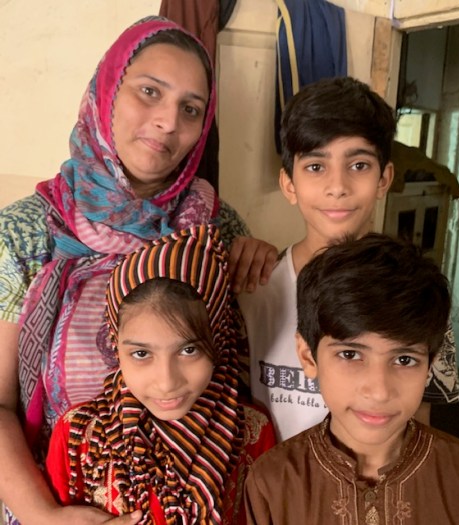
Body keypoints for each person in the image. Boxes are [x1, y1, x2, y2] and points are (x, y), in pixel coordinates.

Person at [0, 16, 276, 525]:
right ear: (106, 93)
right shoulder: (25, 233)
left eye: (190, 109)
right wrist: (43, 515)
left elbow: (236, 372)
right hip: (58, 497)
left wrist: (261, 262)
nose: (169, 121)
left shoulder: (217, 226)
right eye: (150, 92)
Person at [238, 77, 459, 442]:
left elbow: (419, 424)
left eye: (358, 165)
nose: (338, 186)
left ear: (384, 178)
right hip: (275, 476)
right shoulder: (255, 287)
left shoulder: (416, 292)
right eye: (316, 167)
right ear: (289, 184)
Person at [244, 233, 459, 525]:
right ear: (308, 357)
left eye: (404, 360)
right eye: (350, 354)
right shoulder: (271, 482)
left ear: (430, 365)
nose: (379, 391)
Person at [46, 224, 275, 525]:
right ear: (116, 346)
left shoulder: (251, 432)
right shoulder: (79, 435)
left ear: (218, 339)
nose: (167, 382)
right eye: (141, 354)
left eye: (189, 350)